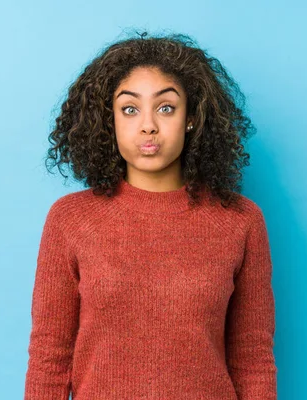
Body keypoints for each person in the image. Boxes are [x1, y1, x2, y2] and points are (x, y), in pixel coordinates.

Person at [24, 30, 277, 400]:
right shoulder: (70, 219)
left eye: (166, 107)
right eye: (130, 109)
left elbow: (252, 358)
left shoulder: (240, 220)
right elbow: (49, 358)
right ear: (107, 120)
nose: (148, 125)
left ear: (191, 118)